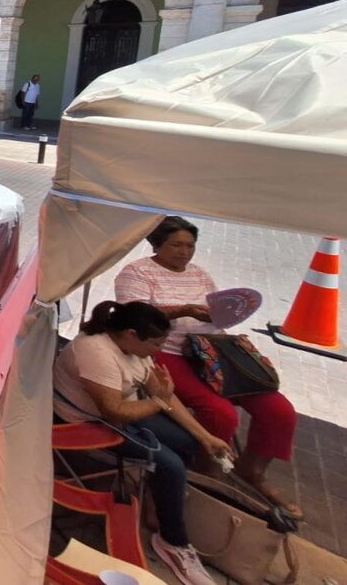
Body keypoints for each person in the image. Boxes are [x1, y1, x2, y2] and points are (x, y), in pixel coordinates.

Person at [115, 216, 301, 519]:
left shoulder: (199, 274)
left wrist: (225, 314)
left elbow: (218, 314)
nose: (184, 252)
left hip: (210, 349)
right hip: (166, 351)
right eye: (176, 245)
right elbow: (132, 317)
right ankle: (202, 476)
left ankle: (252, 470)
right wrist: (186, 310)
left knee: (279, 411)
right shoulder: (137, 272)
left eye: (190, 245)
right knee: (220, 414)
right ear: (157, 243)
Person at [55, 301, 227, 585]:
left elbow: (164, 395)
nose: (159, 351)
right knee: (170, 465)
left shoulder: (134, 349)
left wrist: (205, 436)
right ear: (132, 335)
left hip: (127, 412)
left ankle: (161, 500)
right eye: (156, 344)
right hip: (88, 423)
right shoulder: (96, 353)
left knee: (186, 443)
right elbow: (116, 411)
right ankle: (173, 543)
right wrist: (158, 401)